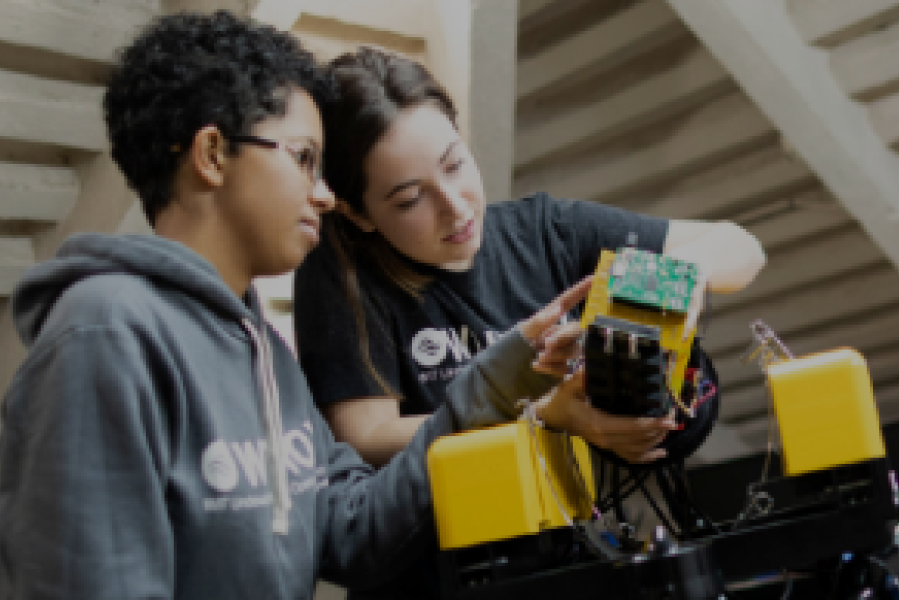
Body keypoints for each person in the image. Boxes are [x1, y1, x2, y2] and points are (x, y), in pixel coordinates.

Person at [0, 11, 583, 598]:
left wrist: (488, 394)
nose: (324, 195)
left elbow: (354, 529)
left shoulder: (262, 353)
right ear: (212, 154)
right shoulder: (106, 334)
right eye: (304, 159)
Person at [295, 47, 767, 472]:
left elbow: (740, 246)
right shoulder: (341, 270)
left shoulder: (544, 231)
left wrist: (658, 290)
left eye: (455, 164)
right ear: (358, 213)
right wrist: (539, 416)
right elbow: (366, 437)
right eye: (410, 199)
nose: (455, 206)